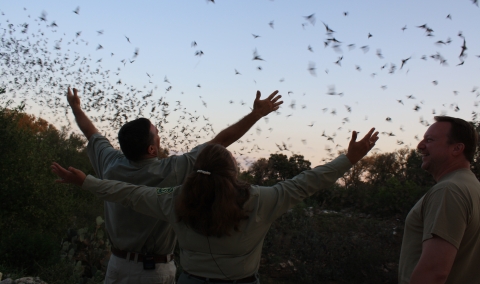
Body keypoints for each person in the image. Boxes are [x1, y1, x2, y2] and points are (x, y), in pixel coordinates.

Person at [51, 127, 379, 283]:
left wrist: (86, 182)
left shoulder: (176, 200)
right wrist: (349, 158)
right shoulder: (262, 200)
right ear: (233, 172)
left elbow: (128, 193)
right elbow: (308, 181)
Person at [66, 87, 283, 284]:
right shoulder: (172, 170)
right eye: (157, 135)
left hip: (117, 266)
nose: (160, 138)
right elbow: (222, 141)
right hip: (153, 271)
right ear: (151, 149)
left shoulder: (109, 163)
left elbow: (90, 132)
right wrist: (256, 114)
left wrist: (76, 108)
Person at [398, 116, 480, 284]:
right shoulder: (472, 186)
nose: (420, 146)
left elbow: (434, 273)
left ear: (457, 148)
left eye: (429, 140)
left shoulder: (448, 190)